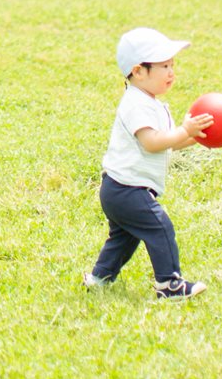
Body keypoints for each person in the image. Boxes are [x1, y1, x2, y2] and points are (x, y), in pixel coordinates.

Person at [84, 28, 212, 300]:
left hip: (121, 189)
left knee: (124, 238)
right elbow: (152, 142)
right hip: (126, 189)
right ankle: (169, 284)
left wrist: (197, 138)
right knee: (159, 227)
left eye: (172, 65)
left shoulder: (151, 103)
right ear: (139, 71)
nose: (171, 72)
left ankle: (100, 277)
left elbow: (169, 142)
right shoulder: (135, 104)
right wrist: (185, 128)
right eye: (163, 66)